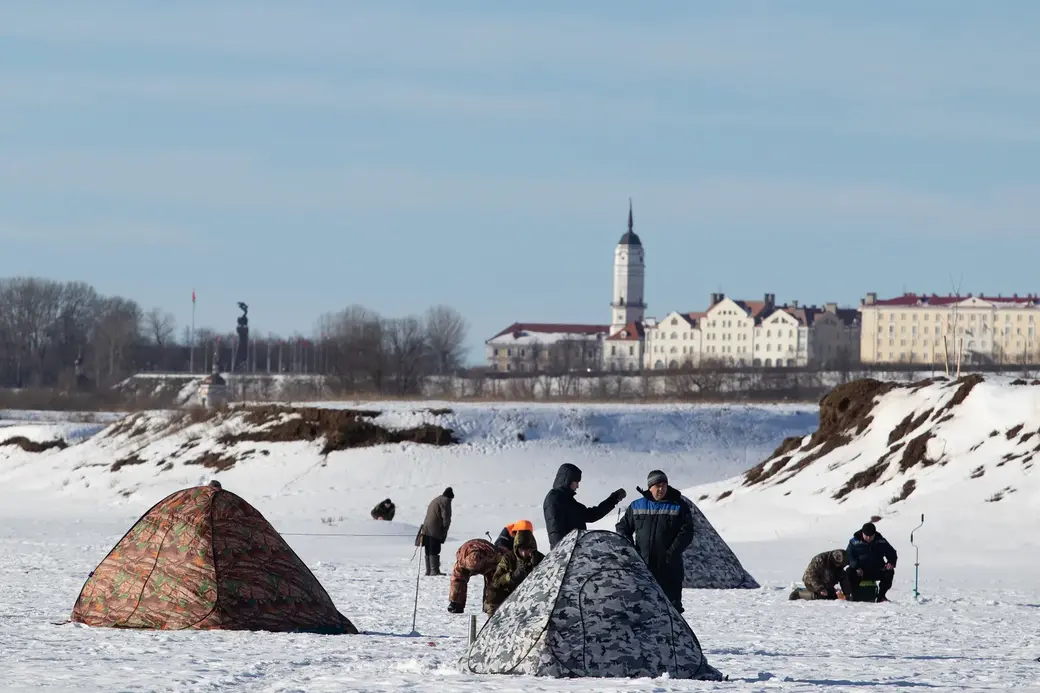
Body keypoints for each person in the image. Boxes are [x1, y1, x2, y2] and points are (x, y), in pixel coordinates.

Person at [615, 470, 694, 613]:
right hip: (643, 568)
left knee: (671, 610)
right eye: (658, 485)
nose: (662, 489)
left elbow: (687, 532)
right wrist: (632, 552)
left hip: (669, 569)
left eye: (664, 485)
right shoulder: (637, 506)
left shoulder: (679, 506)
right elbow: (622, 528)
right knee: (642, 609)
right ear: (650, 487)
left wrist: (671, 554)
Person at [543, 463, 626, 549]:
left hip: (574, 552)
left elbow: (592, 515)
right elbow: (555, 530)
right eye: (576, 482)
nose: (578, 486)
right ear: (568, 480)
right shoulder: (554, 498)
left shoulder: (569, 501)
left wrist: (613, 499)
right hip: (565, 554)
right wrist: (561, 553)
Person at [484, 528, 544, 615]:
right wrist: (512, 576)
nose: (525, 552)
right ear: (517, 548)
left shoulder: (541, 558)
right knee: (492, 592)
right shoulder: (508, 558)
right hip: (512, 595)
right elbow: (496, 581)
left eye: (528, 549)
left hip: (533, 595)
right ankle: (494, 622)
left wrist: (536, 568)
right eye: (522, 549)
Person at [846, 522, 898, 602]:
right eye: (866, 535)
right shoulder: (854, 542)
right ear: (862, 533)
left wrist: (891, 562)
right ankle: (854, 596)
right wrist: (856, 567)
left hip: (877, 570)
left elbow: (892, 553)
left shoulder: (881, 541)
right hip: (860, 571)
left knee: (889, 572)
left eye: (871, 536)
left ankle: (881, 596)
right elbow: (849, 556)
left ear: (874, 534)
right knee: (849, 572)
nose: (868, 538)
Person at [415, 487, 453, 576]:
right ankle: (434, 570)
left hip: (426, 527)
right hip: (435, 528)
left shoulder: (436, 499)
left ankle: (429, 570)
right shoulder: (445, 501)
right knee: (435, 548)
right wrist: (445, 527)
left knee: (428, 547)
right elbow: (446, 516)